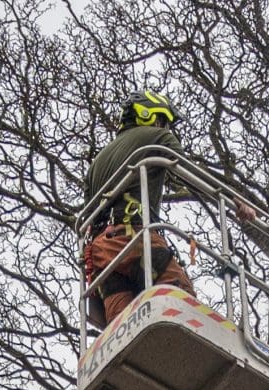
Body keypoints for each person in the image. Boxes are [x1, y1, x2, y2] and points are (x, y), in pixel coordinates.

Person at [81, 91, 196, 327]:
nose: (165, 127)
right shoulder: (156, 136)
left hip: (102, 253)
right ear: (148, 115)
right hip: (133, 239)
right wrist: (236, 202)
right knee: (183, 306)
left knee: (121, 329)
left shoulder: (97, 162)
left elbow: (86, 215)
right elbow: (191, 173)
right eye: (163, 120)